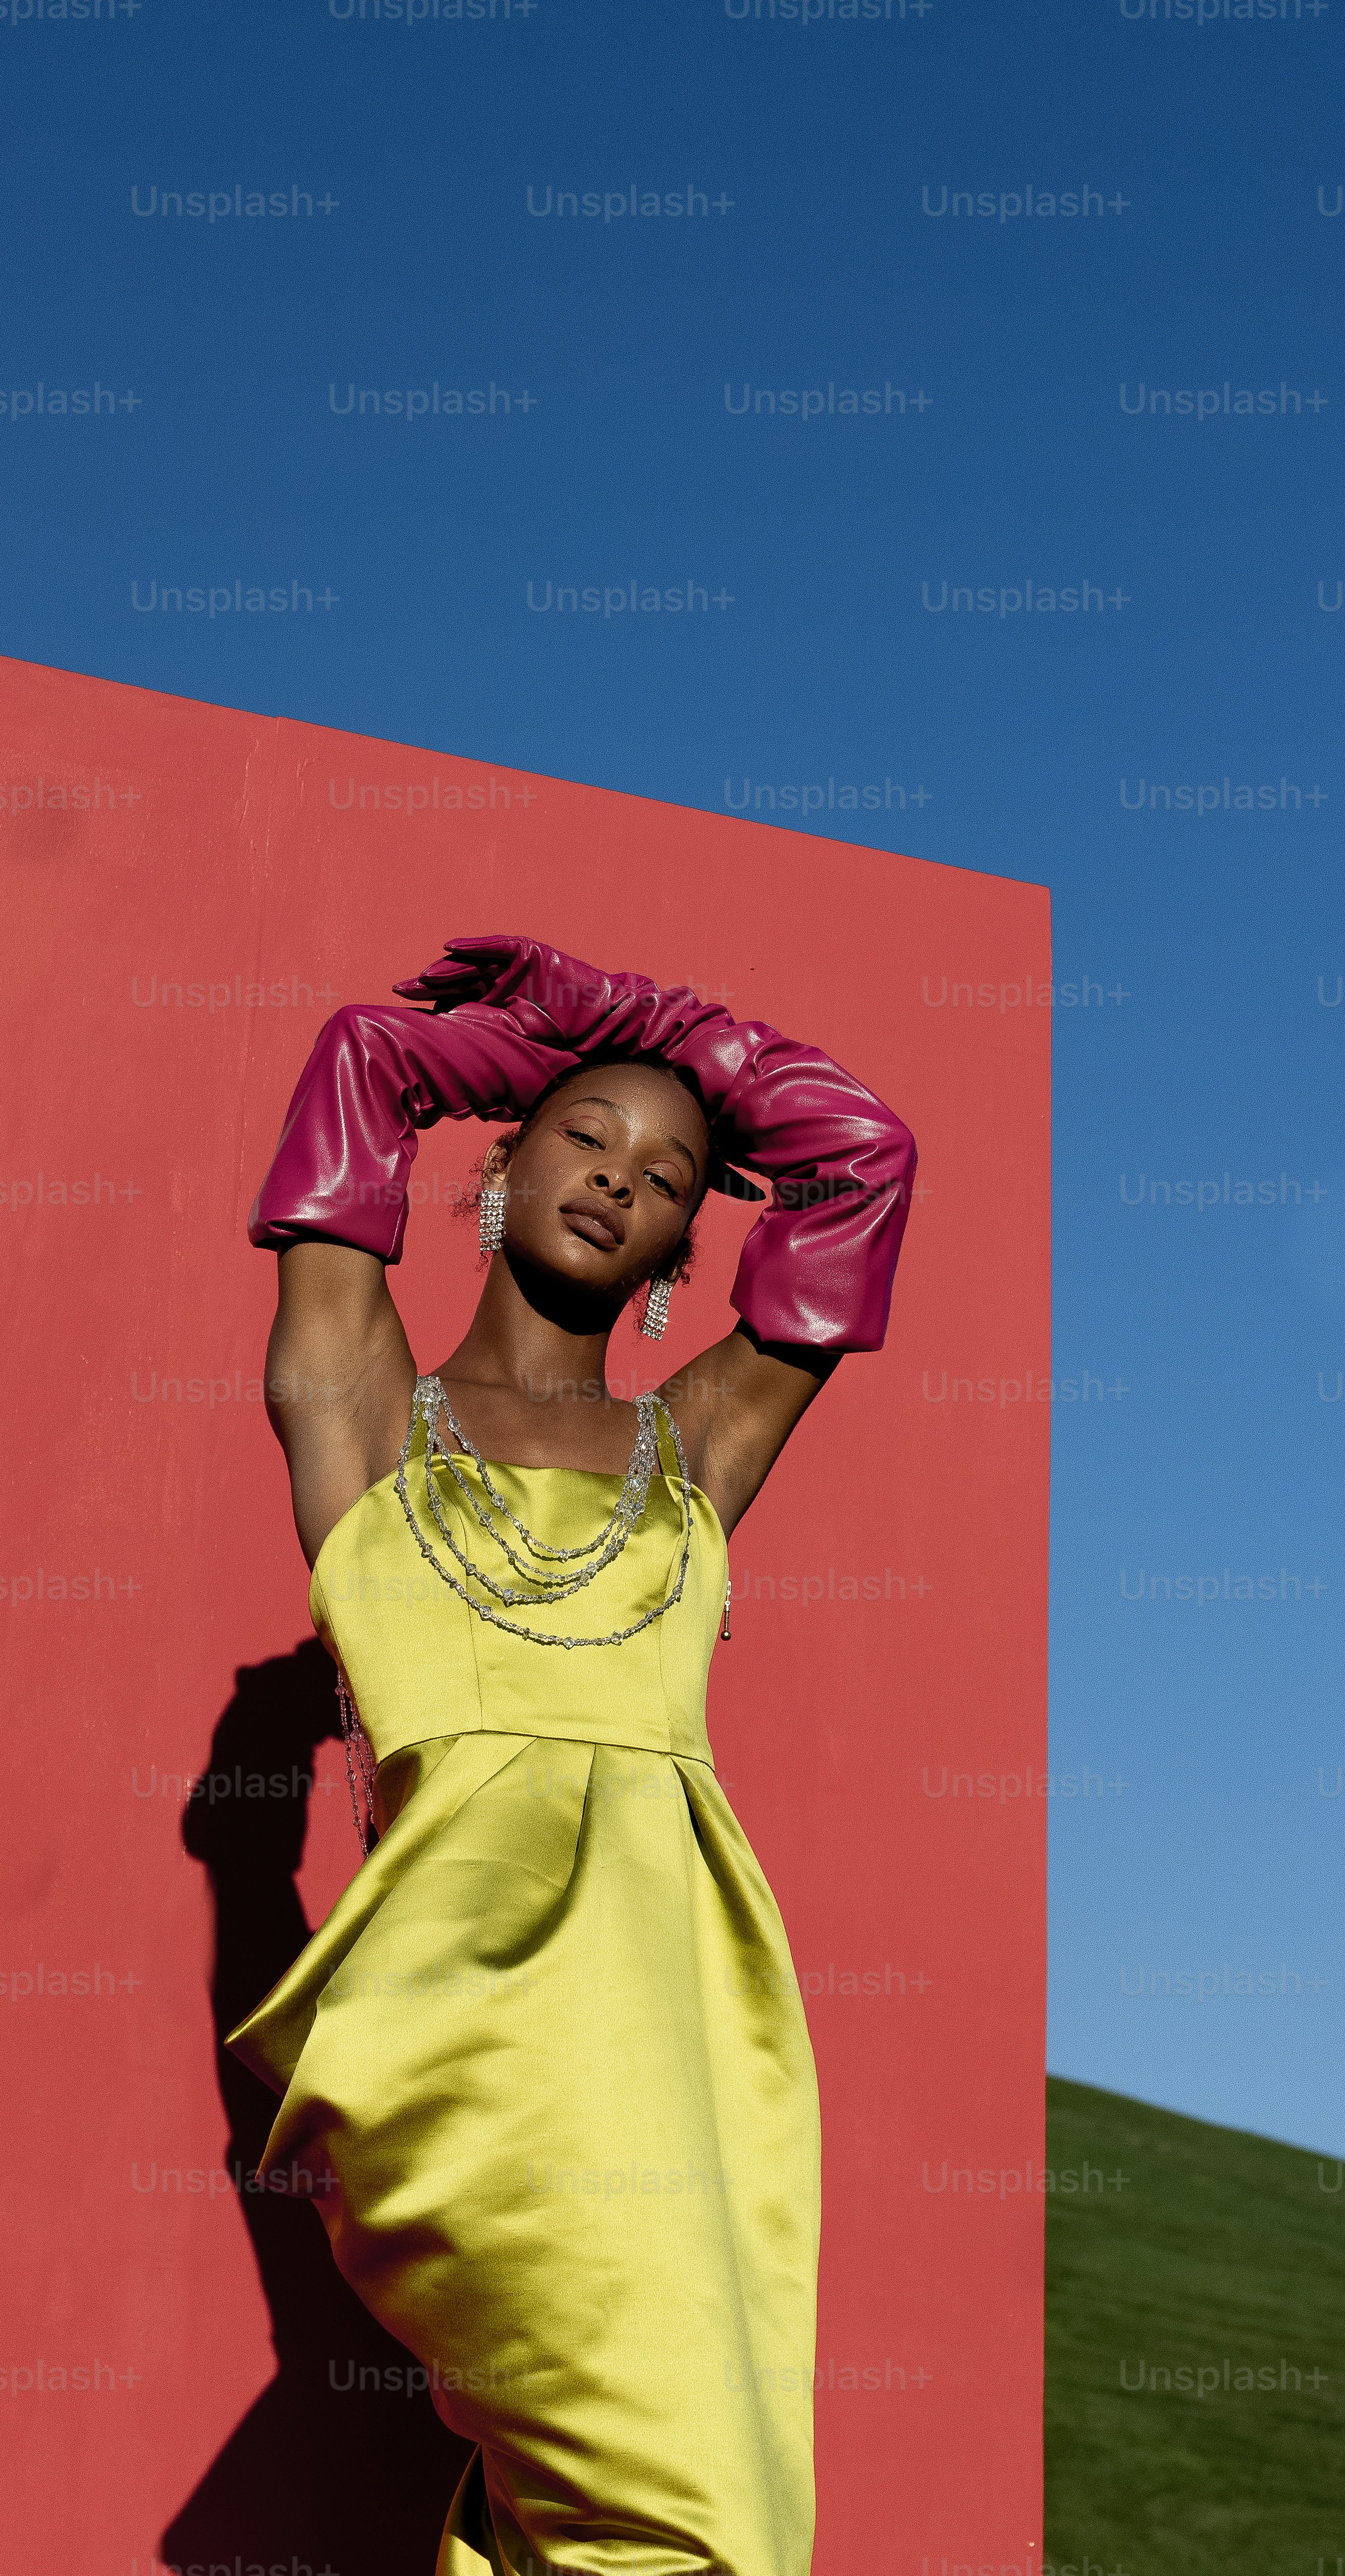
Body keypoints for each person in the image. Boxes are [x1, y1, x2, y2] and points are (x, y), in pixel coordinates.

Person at [227, 934, 917, 2576]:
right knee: (670, 2503)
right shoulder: (370, 1419)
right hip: (464, 2031)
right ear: (497, 1168)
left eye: (670, 1176)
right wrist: (564, 1037)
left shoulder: (693, 1453)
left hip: (678, 2015)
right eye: (583, 1137)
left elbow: (864, 1157)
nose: (619, 1180)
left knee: (687, 2471)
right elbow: (360, 1061)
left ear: (693, 1237)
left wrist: (649, 1029)